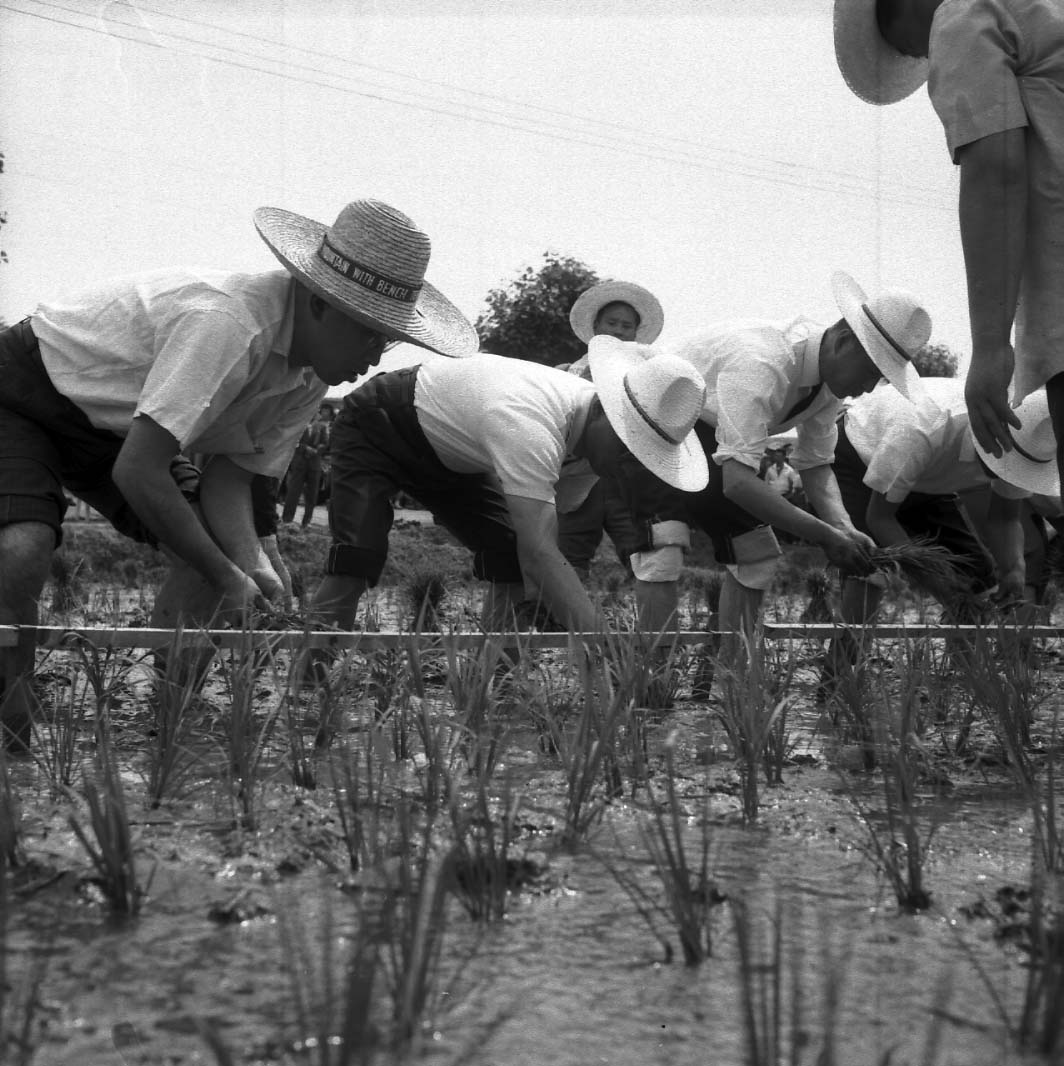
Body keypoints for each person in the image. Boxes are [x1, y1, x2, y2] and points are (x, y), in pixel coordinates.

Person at [0, 198, 477, 751]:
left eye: (388, 339)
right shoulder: (229, 322)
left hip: (124, 428)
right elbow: (140, 469)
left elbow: (230, 479)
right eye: (369, 333)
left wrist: (251, 563)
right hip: (28, 390)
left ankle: (173, 718)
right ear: (321, 302)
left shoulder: (310, 378)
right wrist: (228, 574)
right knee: (20, 549)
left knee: (215, 552)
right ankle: (12, 737)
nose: (376, 355)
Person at [607, 271, 932, 672]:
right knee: (664, 546)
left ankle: (729, 674)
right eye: (870, 372)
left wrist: (844, 527)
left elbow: (815, 462)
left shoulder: (829, 384)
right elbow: (739, 483)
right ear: (844, 341)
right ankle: (655, 678)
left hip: (710, 434)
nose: (868, 388)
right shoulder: (762, 360)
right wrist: (825, 535)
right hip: (653, 420)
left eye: (879, 378)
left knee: (757, 554)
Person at [305, 345, 709, 649]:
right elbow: (540, 551)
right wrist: (600, 643)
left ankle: (493, 687)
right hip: (381, 419)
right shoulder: (532, 423)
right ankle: (309, 688)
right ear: (605, 410)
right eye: (627, 449)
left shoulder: (593, 452)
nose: (628, 466)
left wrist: (550, 601)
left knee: (508, 557)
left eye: (640, 457)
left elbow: (542, 539)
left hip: (453, 456)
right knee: (356, 557)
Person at [833, 0, 1064, 490]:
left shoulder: (961, 15)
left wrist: (989, 348)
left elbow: (997, 171)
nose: (925, 57)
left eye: (908, 47)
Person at [827, 377, 1057, 687]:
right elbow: (880, 518)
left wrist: (1013, 568)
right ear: (990, 435)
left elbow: (1004, 518)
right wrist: (938, 583)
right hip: (861, 452)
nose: (1008, 475)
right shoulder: (921, 427)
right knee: (869, 573)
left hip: (928, 477)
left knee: (978, 579)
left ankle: (969, 686)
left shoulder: (1019, 446)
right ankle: (837, 683)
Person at [555, 280, 666, 578]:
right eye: (611, 322)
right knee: (570, 554)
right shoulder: (566, 372)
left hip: (626, 478)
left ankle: (650, 622)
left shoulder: (648, 374)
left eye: (626, 326)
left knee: (644, 554)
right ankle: (561, 621)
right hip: (578, 475)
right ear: (596, 326)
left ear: (634, 333)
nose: (618, 330)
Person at [282, 402, 333, 528]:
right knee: (293, 491)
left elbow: (326, 442)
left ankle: (307, 521)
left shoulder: (321, 426)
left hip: (314, 463)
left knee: (312, 493)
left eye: (317, 411)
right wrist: (305, 448)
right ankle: (287, 519)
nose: (315, 413)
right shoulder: (300, 424)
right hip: (299, 462)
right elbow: (294, 440)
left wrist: (317, 450)